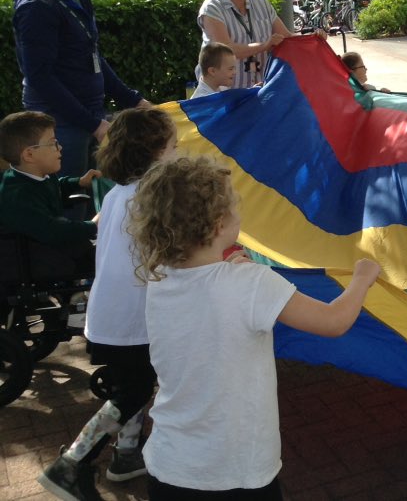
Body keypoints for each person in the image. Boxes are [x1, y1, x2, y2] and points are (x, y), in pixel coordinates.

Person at [128, 155, 380, 499]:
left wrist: (231, 270)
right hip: (235, 472)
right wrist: (362, 280)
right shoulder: (250, 283)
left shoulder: (161, 279)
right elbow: (334, 322)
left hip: (170, 466)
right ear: (218, 224)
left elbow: (209, 301)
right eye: (235, 205)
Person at [37, 108, 178, 500]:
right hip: (132, 321)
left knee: (134, 385)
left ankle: (126, 455)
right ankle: (71, 463)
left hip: (110, 315)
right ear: (152, 152)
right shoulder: (153, 196)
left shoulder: (118, 193)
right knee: (132, 392)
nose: (177, 154)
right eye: (173, 147)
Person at [13, 0, 151, 177]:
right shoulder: (37, 7)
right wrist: (93, 124)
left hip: (90, 119)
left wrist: (134, 100)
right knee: (70, 201)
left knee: (92, 198)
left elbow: (93, 57)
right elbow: (39, 77)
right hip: (58, 127)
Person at [0, 111, 98, 277]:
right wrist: (94, 225)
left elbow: (54, 187)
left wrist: (79, 182)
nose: (60, 147)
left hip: (51, 246)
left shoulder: (41, 175)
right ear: (29, 154)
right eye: (53, 143)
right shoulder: (17, 196)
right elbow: (54, 231)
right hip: (35, 259)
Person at [198, 0, 291, 89]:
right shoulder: (212, 8)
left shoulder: (262, 4)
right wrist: (264, 45)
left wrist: (314, 38)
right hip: (225, 95)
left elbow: (287, 38)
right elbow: (226, 51)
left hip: (259, 90)